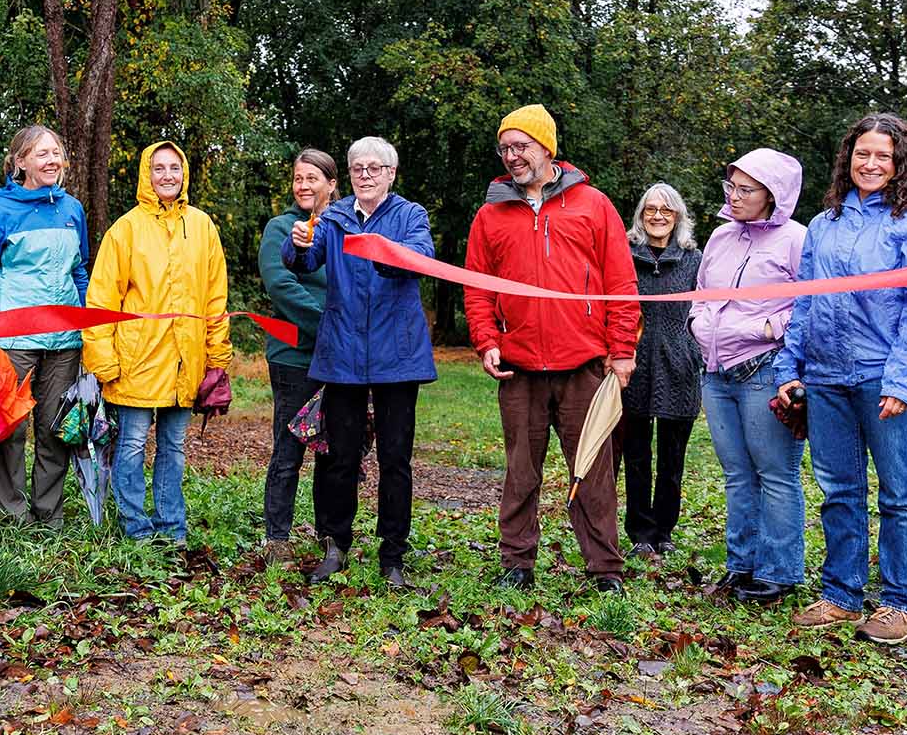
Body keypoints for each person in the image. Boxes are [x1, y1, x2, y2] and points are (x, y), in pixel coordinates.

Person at [776, 114, 907, 645]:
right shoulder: (826, 222)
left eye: (883, 156)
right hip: (826, 378)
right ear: (847, 158)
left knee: (900, 492)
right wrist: (790, 368)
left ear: (900, 162)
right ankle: (841, 594)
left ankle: (902, 603)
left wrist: (904, 381)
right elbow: (804, 300)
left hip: (884, 377)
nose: (871, 164)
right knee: (838, 489)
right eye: (862, 154)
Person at [463, 106, 639, 593]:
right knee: (521, 469)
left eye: (521, 146)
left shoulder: (593, 204)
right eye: (505, 148)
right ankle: (517, 563)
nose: (512, 156)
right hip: (518, 366)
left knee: (593, 468)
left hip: (584, 363)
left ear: (547, 147)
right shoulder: (491, 214)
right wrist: (486, 341)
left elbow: (621, 282)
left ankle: (605, 569)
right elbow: (476, 287)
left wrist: (622, 349)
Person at [284, 136, 435, 590]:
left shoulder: (410, 215)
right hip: (342, 354)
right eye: (357, 168)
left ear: (391, 173)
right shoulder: (334, 215)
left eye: (374, 168)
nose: (365, 175)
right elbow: (307, 260)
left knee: (395, 460)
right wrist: (298, 244)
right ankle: (336, 545)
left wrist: (380, 251)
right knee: (339, 458)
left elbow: (420, 258)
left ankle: (393, 557)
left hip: (397, 356)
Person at [84, 141, 232, 544]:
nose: (167, 175)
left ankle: (172, 528)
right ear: (146, 175)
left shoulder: (202, 226)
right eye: (159, 168)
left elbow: (216, 298)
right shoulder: (126, 229)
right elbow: (100, 301)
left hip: (187, 362)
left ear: (184, 173)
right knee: (130, 446)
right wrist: (104, 360)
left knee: (174, 448)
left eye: (174, 168)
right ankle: (136, 529)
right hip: (137, 362)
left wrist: (217, 357)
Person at [690, 150, 808, 605]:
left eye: (745, 190)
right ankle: (741, 565)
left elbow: (810, 304)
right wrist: (698, 325)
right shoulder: (720, 238)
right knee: (737, 474)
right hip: (716, 373)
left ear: (773, 195)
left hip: (765, 371)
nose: (734, 197)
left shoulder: (797, 239)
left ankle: (779, 572)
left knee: (776, 473)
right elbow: (700, 293)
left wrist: (767, 329)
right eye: (730, 187)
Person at [0, 125, 90, 529]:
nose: (51, 161)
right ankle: (12, 515)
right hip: (13, 337)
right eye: (41, 154)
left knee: (56, 429)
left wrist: (89, 319)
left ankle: (48, 514)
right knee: (8, 428)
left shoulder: (73, 210)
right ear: (20, 162)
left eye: (56, 153)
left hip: (65, 339)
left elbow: (80, 269)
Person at [258, 148, 338, 564]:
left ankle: (330, 533)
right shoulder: (280, 227)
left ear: (331, 184)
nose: (304, 186)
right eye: (298, 178)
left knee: (334, 449)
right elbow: (280, 285)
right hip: (293, 355)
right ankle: (277, 537)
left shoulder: (343, 227)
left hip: (339, 359)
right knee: (289, 447)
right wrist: (328, 323)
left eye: (312, 178)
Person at [620, 183, 702, 559]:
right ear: (640, 215)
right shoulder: (623, 255)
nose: (657, 216)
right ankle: (640, 530)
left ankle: (664, 529)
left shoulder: (694, 260)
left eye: (666, 210)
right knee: (635, 455)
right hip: (633, 364)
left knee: (672, 457)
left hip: (679, 363)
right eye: (650, 209)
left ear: (678, 217)